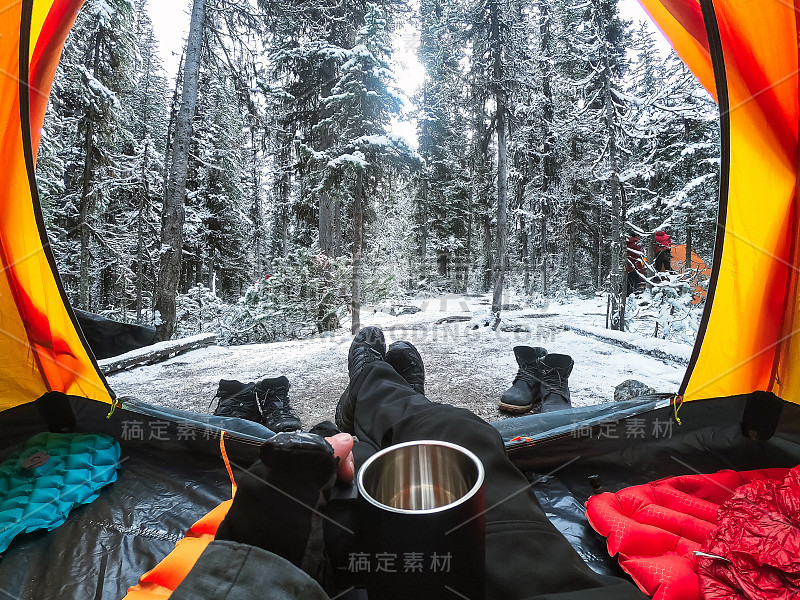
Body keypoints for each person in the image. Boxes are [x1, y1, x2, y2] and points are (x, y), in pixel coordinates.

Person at [172, 328, 647, 600]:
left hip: (329, 577)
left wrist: (269, 528)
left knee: (330, 449)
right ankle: (382, 392)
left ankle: (370, 386)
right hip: (539, 585)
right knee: (461, 434)